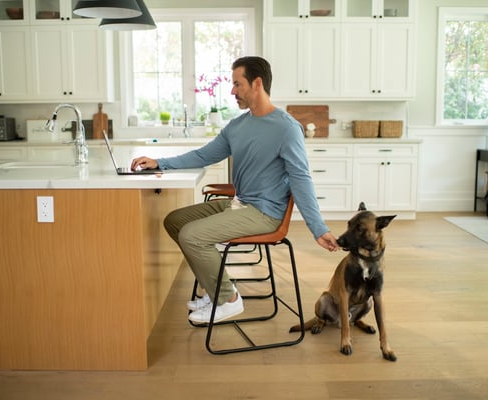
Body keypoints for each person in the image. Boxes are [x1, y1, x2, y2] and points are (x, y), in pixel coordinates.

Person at [131, 56, 339, 324]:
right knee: (175, 221)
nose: (232, 91)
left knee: (192, 235)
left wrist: (318, 227)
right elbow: (204, 155)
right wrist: (160, 163)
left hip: (265, 213)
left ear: (257, 83)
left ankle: (228, 299)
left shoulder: (287, 128)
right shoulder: (238, 126)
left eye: (237, 84)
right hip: (239, 204)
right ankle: (215, 290)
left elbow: (301, 179)